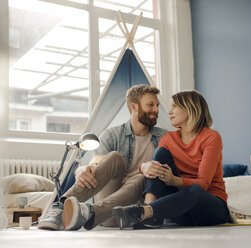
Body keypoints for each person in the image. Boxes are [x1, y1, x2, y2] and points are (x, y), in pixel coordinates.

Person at [38, 84, 167, 231]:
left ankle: (89, 213)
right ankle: (60, 208)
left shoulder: (163, 137)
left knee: (144, 176)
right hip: (109, 207)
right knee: (115, 157)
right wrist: (82, 170)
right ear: (134, 107)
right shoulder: (112, 135)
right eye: (150, 105)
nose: (156, 110)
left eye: (157, 105)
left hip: (133, 211)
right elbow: (97, 164)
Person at [112, 90, 231, 229]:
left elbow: (203, 184)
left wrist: (174, 180)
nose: (169, 112)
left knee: (196, 190)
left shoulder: (211, 137)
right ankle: (148, 208)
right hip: (180, 210)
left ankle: (146, 212)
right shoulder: (169, 138)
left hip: (209, 207)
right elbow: (155, 165)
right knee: (160, 154)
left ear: (190, 108)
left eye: (174, 106)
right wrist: (143, 167)